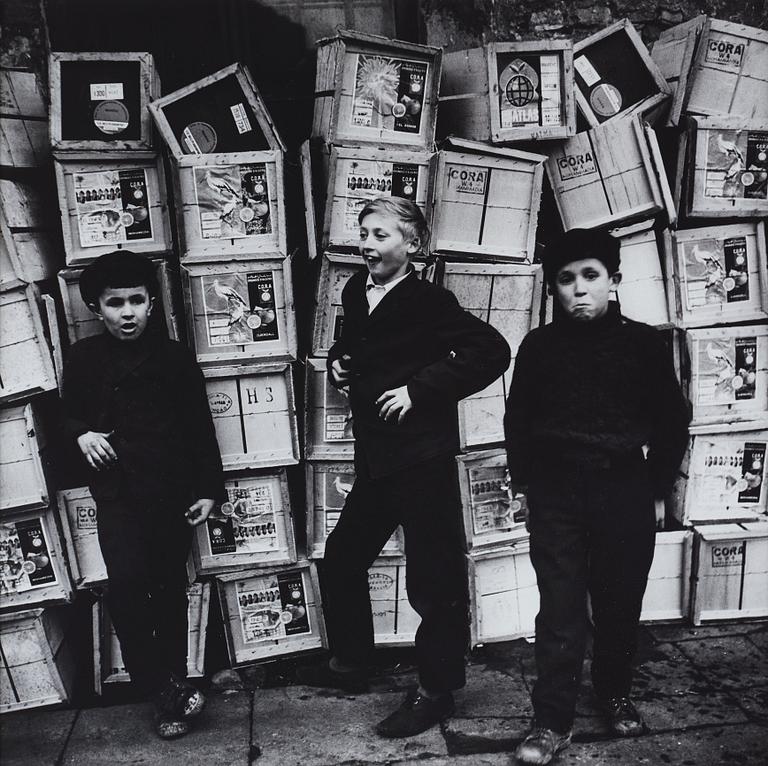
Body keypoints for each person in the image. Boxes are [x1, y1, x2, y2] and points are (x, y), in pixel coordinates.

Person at [298, 197, 511, 737]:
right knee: (343, 558)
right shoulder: (354, 291)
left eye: (380, 235)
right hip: (377, 461)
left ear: (412, 246)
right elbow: (352, 347)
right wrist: (339, 363)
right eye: (363, 233)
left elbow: (492, 350)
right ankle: (353, 662)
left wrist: (421, 389)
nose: (366, 244)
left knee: (432, 583)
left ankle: (436, 692)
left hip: (420, 462)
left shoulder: (430, 301)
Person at [503, 229, 690, 765]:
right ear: (552, 289)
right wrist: (524, 486)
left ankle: (614, 692)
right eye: (566, 279)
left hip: (624, 487)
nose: (579, 290)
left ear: (614, 280)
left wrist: (656, 493)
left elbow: (671, 423)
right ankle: (551, 722)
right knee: (560, 609)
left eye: (591, 276)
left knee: (618, 603)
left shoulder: (642, 344)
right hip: (557, 492)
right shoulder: (538, 347)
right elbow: (518, 421)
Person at [60, 251, 226, 740]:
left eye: (137, 300)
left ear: (153, 303)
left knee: (170, 592)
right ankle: (161, 686)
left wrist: (209, 490)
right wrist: (81, 434)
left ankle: (169, 693)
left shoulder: (173, 357)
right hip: (118, 493)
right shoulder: (85, 357)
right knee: (127, 586)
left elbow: (200, 427)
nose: (127, 312)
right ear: (96, 307)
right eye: (115, 303)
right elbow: (68, 411)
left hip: (169, 492)